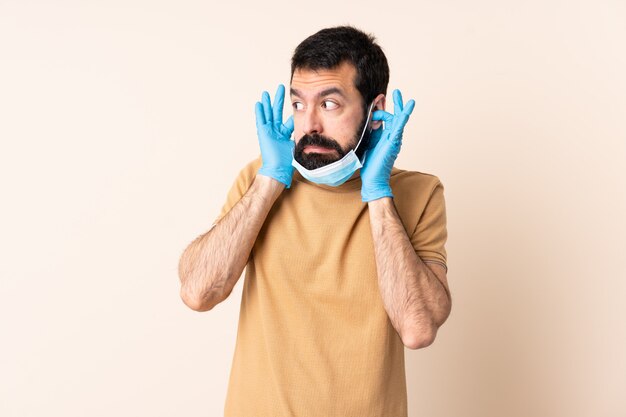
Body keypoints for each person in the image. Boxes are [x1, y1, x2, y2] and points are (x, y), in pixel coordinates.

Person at [178, 25, 451, 417]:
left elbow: (417, 328)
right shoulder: (260, 181)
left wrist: (377, 192)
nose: (310, 125)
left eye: (329, 104)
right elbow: (197, 292)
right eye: (299, 104)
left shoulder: (419, 194)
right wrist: (269, 181)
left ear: (375, 110)